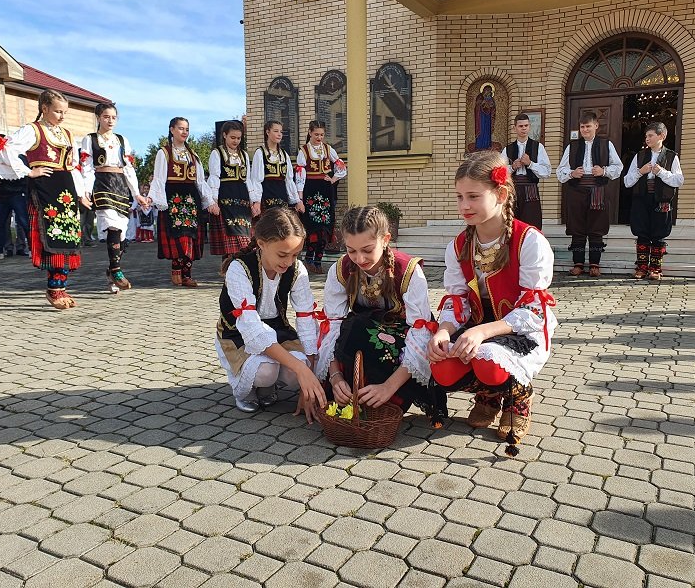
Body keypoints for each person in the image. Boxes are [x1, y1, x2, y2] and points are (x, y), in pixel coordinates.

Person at [426, 151, 557, 456]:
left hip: (518, 328)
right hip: (478, 323)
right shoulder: (459, 245)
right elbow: (457, 298)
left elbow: (533, 310)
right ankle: (489, 395)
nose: (464, 206)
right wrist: (444, 330)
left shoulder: (529, 241)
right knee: (442, 365)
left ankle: (517, 398)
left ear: (501, 194)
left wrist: (482, 332)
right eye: (459, 197)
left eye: (473, 196)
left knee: (487, 360)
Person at [315, 205, 435, 414]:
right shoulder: (341, 269)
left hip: (400, 342)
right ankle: (349, 392)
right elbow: (331, 325)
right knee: (353, 328)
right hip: (359, 336)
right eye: (351, 250)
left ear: (386, 239)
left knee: (365, 332)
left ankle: (388, 397)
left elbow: (420, 334)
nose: (359, 259)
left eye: (367, 250)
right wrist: (335, 377)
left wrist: (389, 387)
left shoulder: (409, 271)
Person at [215, 206, 326, 421]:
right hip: (239, 332)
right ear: (262, 243)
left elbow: (305, 317)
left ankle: (267, 387)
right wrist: (302, 371)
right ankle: (246, 391)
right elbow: (252, 330)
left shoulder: (297, 269)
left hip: (277, 328)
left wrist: (308, 373)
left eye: (295, 254)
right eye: (282, 254)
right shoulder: (238, 268)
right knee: (266, 371)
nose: (289, 262)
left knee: (299, 368)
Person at [0, 89, 88, 309]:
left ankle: (61, 286)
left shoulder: (67, 133)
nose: (62, 116)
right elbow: (6, 149)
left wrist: (81, 193)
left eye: (65, 112)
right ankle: (54, 288)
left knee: (68, 236)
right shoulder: (33, 130)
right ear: (44, 108)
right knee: (53, 233)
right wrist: (29, 171)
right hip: (45, 188)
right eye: (58, 111)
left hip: (66, 188)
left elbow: (73, 166)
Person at [80, 103, 144, 291]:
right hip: (102, 183)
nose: (110, 120)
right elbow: (86, 167)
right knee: (112, 225)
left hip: (120, 184)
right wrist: (86, 191)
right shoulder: (90, 139)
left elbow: (129, 168)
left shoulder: (122, 140)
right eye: (106, 116)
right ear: (98, 117)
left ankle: (111, 270)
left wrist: (137, 193)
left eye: (114, 117)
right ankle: (116, 270)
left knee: (122, 232)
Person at [147, 117, 217, 287]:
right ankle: (176, 269)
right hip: (173, 198)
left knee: (190, 237)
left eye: (186, 129)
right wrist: (153, 198)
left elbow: (200, 181)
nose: (184, 132)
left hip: (191, 199)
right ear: (172, 130)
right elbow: (159, 179)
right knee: (178, 236)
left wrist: (209, 201)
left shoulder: (193, 155)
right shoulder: (164, 152)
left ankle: (187, 274)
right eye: (180, 128)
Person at [556, 112, 623, 277]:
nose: (585, 129)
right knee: (577, 228)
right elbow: (560, 170)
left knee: (596, 228)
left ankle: (595, 264)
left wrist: (604, 171)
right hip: (576, 190)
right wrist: (572, 173)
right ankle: (578, 263)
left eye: (588, 126)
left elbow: (618, 167)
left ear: (596, 126)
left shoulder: (606, 144)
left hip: (597, 190)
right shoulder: (572, 146)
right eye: (582, 127)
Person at [622, 122, 685, 280]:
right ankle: (642, 267)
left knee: (659, 234)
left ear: (662, 136)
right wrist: (640, 172)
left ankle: (655, 268)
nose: (647, 138)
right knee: (641, 232)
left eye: (650, 135)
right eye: (646, 136)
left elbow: (679, 180)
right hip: (641, 198)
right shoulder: (639, 156)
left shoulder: (671, 156)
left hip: (661, 199)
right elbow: (627, 181)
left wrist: (661, 172)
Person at [295, 120, 347, 274]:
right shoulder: (304, 151)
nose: (319, 137)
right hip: (310, 190)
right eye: (316, 134)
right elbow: (300, 176)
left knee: (325, 226)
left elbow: (341, 166)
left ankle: (318, 260)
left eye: (322, 135)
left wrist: (333, 179)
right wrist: (300, 197)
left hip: (325, 190)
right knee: (312, 226)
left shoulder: (328, 149)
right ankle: (309, 259)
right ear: (310, 133)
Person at [208, 120, 257, 262]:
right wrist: (213, 201)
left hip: (243, 203)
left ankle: (239, 269)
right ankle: (228, 270)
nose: (236, 141)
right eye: (233, 137)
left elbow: (248, 179)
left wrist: (254, 202)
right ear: (224, 135)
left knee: (245, 242)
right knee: (230, 245)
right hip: (226, 201)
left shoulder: (244, 155)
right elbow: (214, 178)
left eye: (239, 138)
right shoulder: (217, 153)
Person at [0, 143, 31, 260]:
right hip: (3, 195)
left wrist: (4, 182)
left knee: (24, 222)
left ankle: (32, 248)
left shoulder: (18, 156)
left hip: (17, 194)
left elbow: (24, 176)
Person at [505, 113, 552, 229]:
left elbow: (547, 171)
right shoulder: (507, 149)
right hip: (513, 189)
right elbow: (499, 171)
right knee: (513, 224)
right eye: (520, 126)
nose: (524, 128)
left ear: (529, 127)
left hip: (531, 189)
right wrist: (512, 167)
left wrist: (530, 164)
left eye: (526, 125)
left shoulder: (538, 147)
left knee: (532, 223)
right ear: (514, 128)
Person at [249, 120, 302, 214]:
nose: (279, 134)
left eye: (281, 132)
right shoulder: (260, 153)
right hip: (267, 198)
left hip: (282, 198)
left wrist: (297, 201)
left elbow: (289, 180)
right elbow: (256, 179)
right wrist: (257, 201)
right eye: (276, 131)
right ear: (267, 132)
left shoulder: (284, 154)